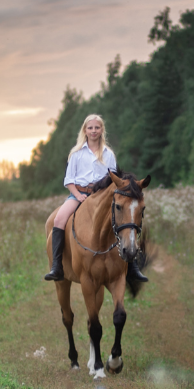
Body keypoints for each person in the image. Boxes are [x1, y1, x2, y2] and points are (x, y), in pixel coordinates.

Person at [44, 114, 148, 284]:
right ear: (85, 130)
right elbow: (69, 180)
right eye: (90, 128)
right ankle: (57, 266)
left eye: (97, 128)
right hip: (78, 195)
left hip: (102, 197)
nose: (94, 131)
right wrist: (78, 195)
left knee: (126, 220)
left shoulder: (109, 154)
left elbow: (115, 180)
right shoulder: (76, 153)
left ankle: (132, 267)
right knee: (58, 220)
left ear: (102, 130)